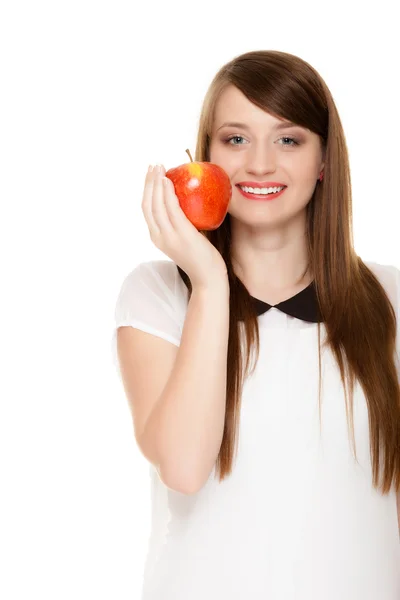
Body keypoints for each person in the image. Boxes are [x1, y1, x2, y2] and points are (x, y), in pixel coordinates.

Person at [112, 50, 400, 599]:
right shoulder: (157, 296)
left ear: (323, 160)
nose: (261, 164)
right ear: (207, 156)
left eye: (288, 139)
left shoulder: (389, 298)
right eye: (236, 139)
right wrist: (210, 280)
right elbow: (184, 467)